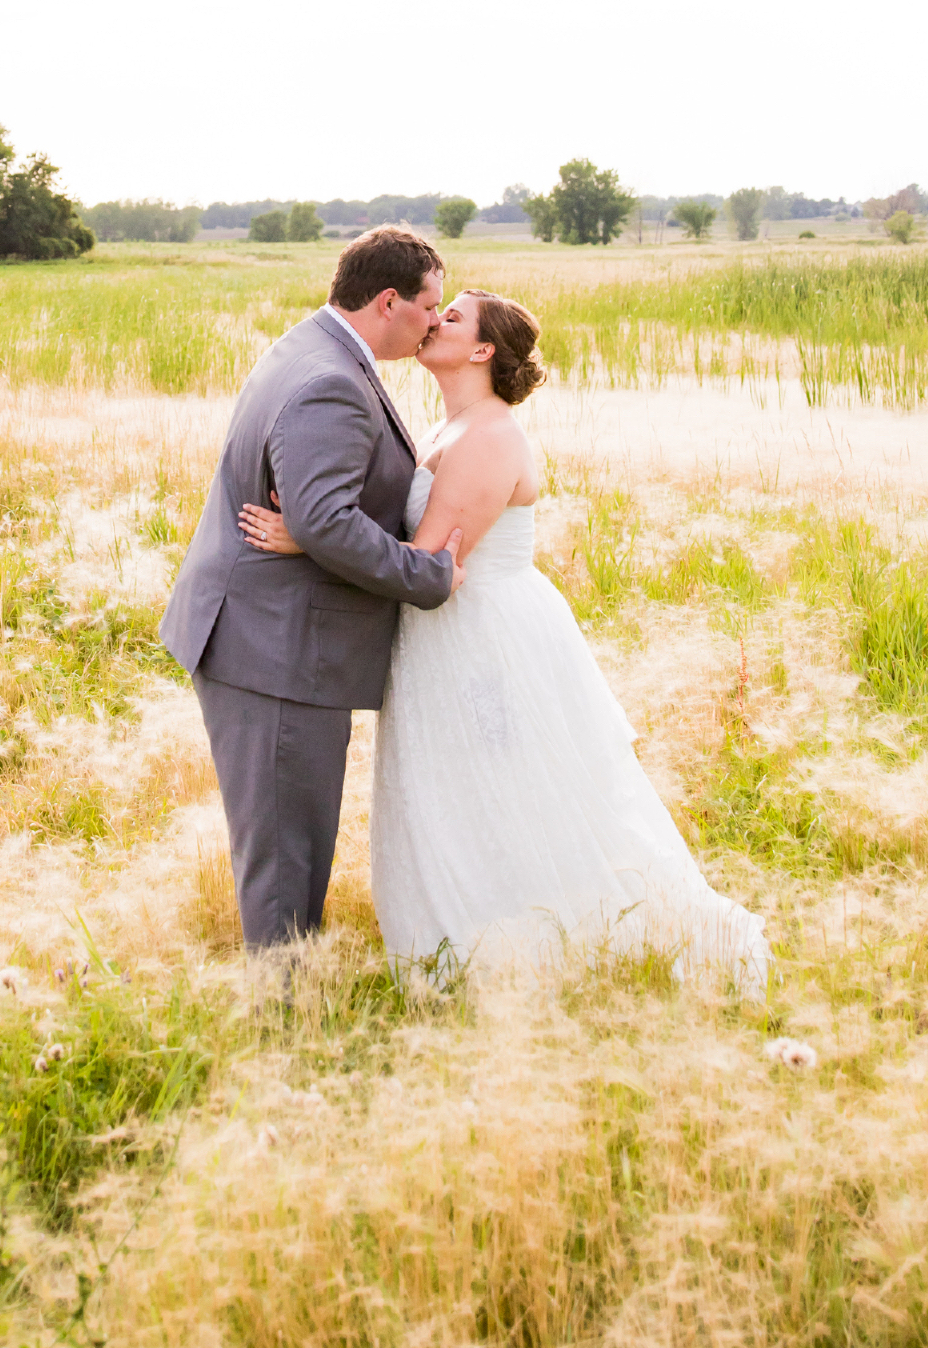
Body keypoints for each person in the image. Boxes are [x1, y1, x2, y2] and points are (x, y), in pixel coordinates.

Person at [239, 286, 768, 991]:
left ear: (483, 350)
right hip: (439, 633)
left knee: (500, 779)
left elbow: (427, 559)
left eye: (450, 317)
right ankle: (471, 932)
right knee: (454, 783)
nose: (433, 321)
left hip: (481, 636)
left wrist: (308, 536)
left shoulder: (490, 435)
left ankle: (522, 940)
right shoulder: (442, 429)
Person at [159, 227, 466, 950]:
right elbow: (325, 518)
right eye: (430, 307)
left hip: (268, 637)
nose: (433, 323)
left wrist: (313, 526)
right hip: (275, 651)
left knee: (287, 843)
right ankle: (284, 1020)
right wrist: (427, 575)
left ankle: (289, 1001)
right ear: (389, 301)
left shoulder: (310, 347)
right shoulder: (329, 380)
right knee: (284, 855)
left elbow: (313, 515)